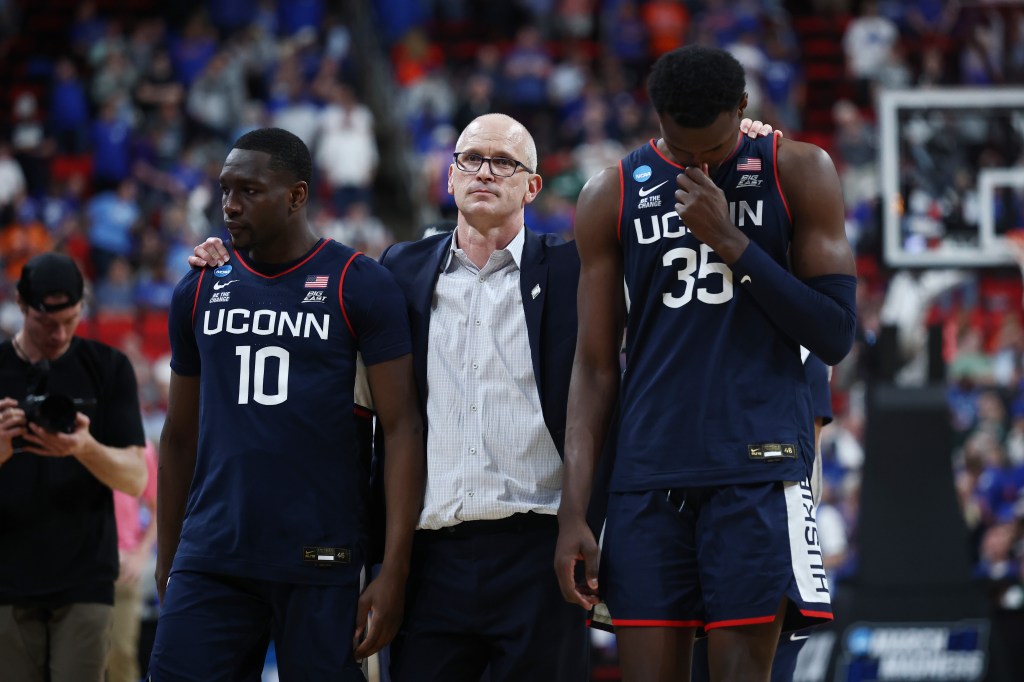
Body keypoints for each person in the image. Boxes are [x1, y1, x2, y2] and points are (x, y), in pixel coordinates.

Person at [189, 115, 781, 682]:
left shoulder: (579, 266)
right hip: (429, 554)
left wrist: (740, 136)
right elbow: (299, 280)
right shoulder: (397, 270)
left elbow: (673, 208)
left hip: (541, 549)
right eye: (471, 159)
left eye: (504, 162)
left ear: (532, 186)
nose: (485, 172)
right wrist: (229, 262)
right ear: (449, 177)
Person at [554, 44, 857, 682]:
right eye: (682, 150)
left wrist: (731, 241)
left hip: (757, 464)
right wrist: (575, 508)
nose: (697, 165)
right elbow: (594, 366)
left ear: (742, 111)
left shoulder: (797, 169)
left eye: (714, 151)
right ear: (655, 117)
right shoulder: (610, 191)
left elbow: (833, 334)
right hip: (647, 473)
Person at [149, 127, 425, 680]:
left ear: (297, 196)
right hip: (213, 555)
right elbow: (179, 436)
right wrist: (169, 558)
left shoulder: (358, 282)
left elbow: (402, 429)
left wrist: (393, 569)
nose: (229, 205)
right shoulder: (200, 288)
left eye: (249, 190)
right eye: (225, 189)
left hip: (320, 558)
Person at [0, 252, 149, 682]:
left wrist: (84, 447)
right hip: (6, 578)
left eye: (71, 319)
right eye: (46, 323)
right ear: (21, 305)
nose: (60, 334)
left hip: (85, 576)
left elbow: (136, 478)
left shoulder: (109, 368)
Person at [106, 439, 159, 682]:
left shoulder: (140, 446)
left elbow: (159, 506)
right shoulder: (65, 436)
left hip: (123, 567)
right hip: (78, 563)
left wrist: (140, 554)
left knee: (121, 655)